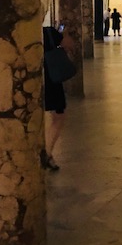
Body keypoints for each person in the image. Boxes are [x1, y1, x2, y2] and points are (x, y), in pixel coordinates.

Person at [41, 25, 75, 171]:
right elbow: (69, 45)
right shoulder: (49, 32)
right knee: (58, 117)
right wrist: (65, 34)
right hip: (51, 81)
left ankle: (45, 152)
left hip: (35, 81)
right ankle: (47, 152)